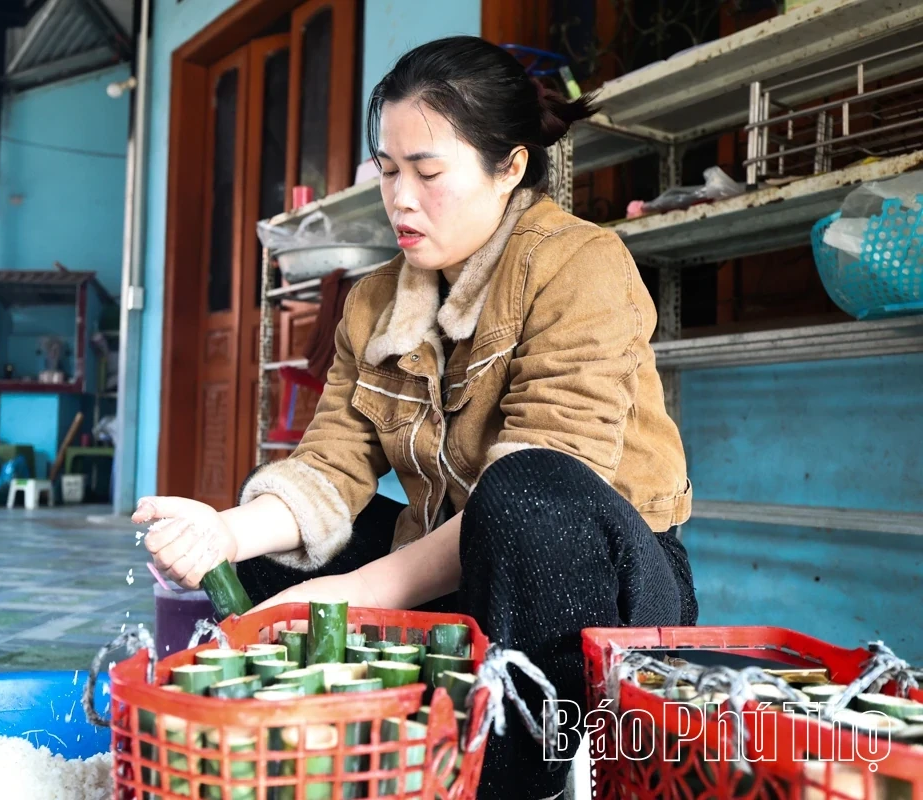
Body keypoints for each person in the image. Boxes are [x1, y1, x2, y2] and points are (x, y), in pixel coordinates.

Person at [132, 36, 697, 797]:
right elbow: (332, 462)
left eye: (428, 173)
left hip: (598, 585)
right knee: (267, 554)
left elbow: (549, 484)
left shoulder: (580, 264)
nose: (400, 198)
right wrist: (222, 532)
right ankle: (340, 749)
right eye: (389, 171)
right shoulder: (374, 301)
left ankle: (523, 775)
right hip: (464, 567)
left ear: (511, 169)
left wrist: (355, 592)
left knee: (526, 493)